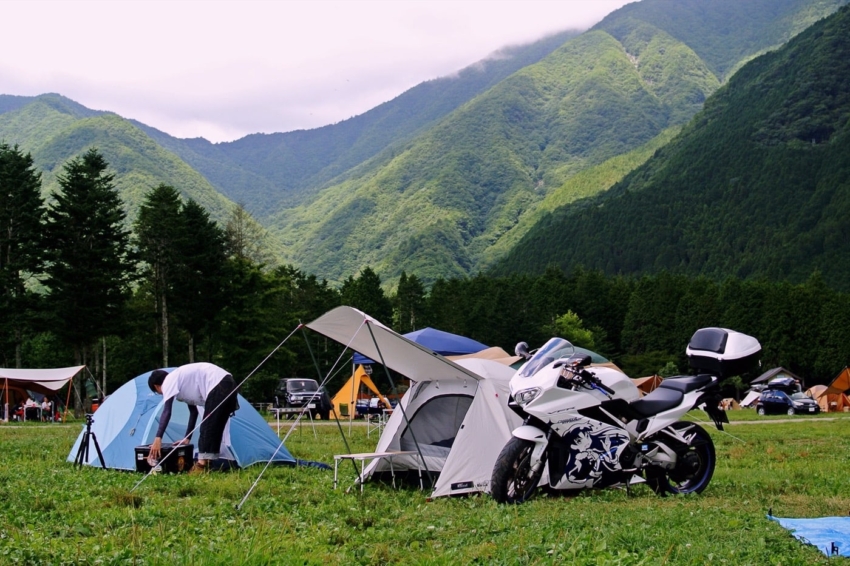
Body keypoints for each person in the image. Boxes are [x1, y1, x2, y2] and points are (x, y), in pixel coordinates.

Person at [147, 362, 239, 473]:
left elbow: (167, 411)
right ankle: (209, 464)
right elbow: (193, 412)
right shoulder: (181, 381)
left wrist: (158, 439)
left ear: (156, 386)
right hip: (228, 382)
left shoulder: (168, 381)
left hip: (218, 384)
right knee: (214, 425)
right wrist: (187, 438)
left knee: (207, 426)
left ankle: (201, 465)